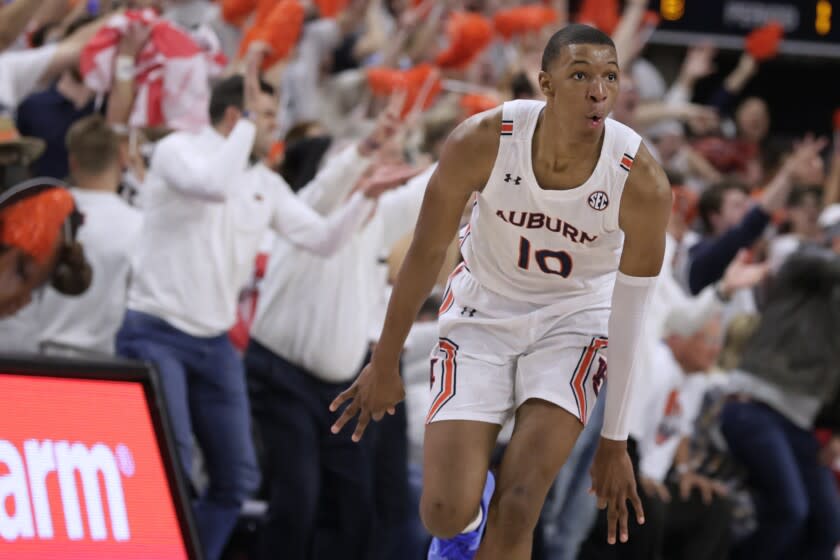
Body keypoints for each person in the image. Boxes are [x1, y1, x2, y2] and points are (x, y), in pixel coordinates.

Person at [330, 24, 672, 560]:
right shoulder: (483, 140)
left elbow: (630, 316)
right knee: (442, 511)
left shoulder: (641, 179)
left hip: (573, 320)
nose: (598, 91)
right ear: (546, 84)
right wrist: (384, 360)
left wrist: (615, 438)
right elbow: (423, 253)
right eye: (580, 75)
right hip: (483, 307)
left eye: (610, 76)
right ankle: (466, 520)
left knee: (520, 507)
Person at [114, 54, 398, 560]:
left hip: (215, 343)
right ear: (235, 116)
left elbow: (323, 239)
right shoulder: (176, 150)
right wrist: (246, 128)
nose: (275, 128)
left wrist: (365, 198)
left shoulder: (265, 184)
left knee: (238, 476)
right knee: (167, 460)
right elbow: (213, 186)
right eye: (266, 117)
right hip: (156, 330)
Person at [34, 115, 142, 355]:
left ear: (73, 162)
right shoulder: (138, 225)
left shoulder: (41, 216)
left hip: (43, 357)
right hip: (108, 362)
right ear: (120, 159)